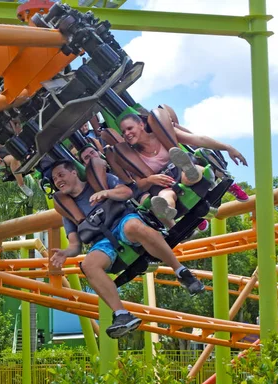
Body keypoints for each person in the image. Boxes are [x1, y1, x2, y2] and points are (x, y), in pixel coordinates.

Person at [49, 160, 205, 339]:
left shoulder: (100, 179)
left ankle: (181, 272)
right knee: (88, 264)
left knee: (133, 227)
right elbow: (75, 244)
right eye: (54, 179)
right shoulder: (67, 210)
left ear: (74, 172)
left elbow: (128, 191)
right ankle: (122, 315)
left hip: (123, 222)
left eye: (61, 175)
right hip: (102, 240)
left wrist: (106, 192)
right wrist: (65, 253)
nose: (58, 180)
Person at [118, 114, 248, 229]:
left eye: (130, 128)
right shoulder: (132, 156)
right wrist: (150, 179)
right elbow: (139, 184)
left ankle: (190, 170)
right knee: (165, 195)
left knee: (188, 175)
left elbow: (198, 140)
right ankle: (167, 209)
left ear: (141, 124)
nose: (127, 134)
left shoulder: (163, 134)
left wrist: (227, 147)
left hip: (182, 170)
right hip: (165, 183)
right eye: (123, 132)